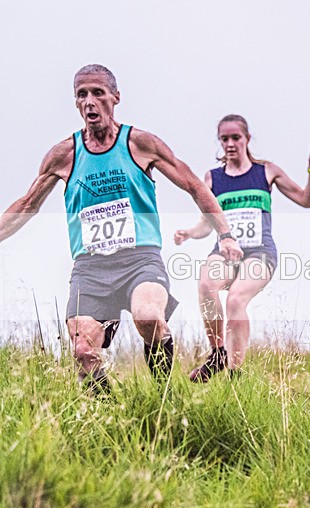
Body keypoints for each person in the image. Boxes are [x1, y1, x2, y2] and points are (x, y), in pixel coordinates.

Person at [0, 64, 243, 392]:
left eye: (98, 93)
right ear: (75, 103)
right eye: (81, 95)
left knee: (148, 318)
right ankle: (105, 417)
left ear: (115, 97)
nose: (90, 101)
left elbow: (194, 186)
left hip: (140, 260)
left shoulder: (139, 144)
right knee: (84, 350)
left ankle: (161, 399)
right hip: (90, 267)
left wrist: (225, 234)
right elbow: (28, 204)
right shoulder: (64, 155)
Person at [174, 115, 310, 382]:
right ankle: (218, 353)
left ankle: (235, 372)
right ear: (219, 142)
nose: (230, 144)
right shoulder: (212, 179)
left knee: (235, 299)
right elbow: (206, 225)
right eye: (225, 139)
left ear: (247, 138)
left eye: (236, 138)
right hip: (224, 252)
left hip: (260, 253)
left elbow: (306, 200)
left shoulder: (266, 171)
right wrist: (189, 232)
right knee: (206, 286)